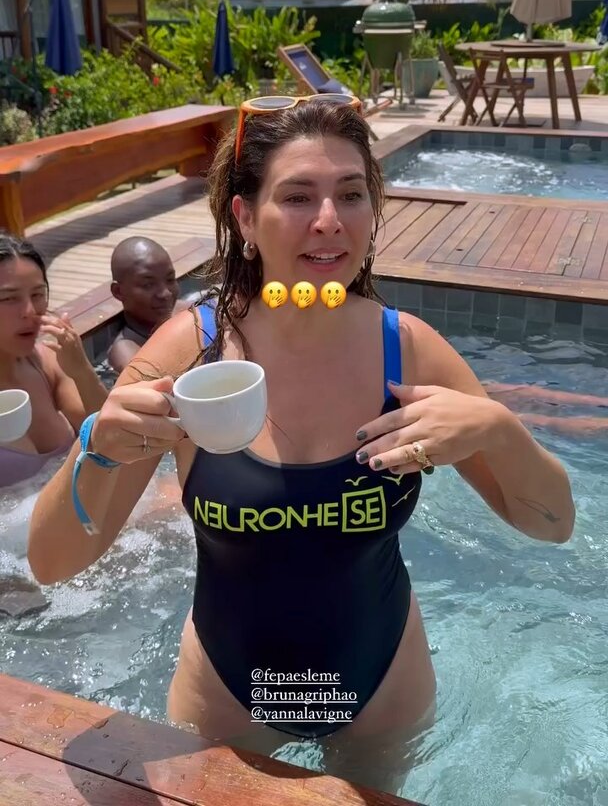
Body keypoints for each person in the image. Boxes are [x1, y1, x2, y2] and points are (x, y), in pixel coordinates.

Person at [27, 98, 575, 786]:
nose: (328, 219)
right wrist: (97, 447)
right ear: (244, 218)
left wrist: (498, 427)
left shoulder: (407, 350)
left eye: (351, 193)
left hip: (382, 691)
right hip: (225, 696)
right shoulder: (189, 354)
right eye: (297, 196)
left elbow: (551, 524)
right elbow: (52, 564)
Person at [0, 233, 108, 489]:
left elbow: (111, 438)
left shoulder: (46, 363)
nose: (30, 311)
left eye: (38, 294)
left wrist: (81, 370)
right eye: (8, 298)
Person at [107, 237, 182, 374]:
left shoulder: (188, 311)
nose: (165, 294)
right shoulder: (127, 352)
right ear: (118, 292)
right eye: (148, 285)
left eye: (170, 279)